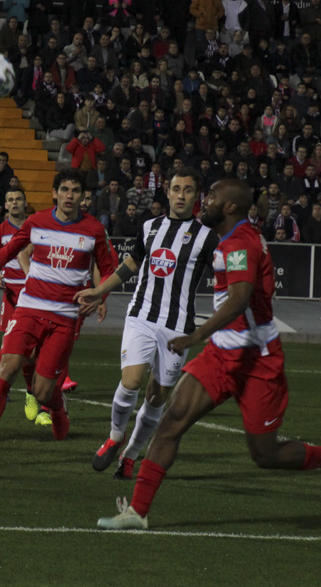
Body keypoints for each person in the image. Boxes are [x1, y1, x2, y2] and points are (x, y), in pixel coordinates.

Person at [97, 179, 321, 531]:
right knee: (171, 422)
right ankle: (137, 512)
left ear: (229, 207)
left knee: (265, 454)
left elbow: (239, 299)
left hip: (257, 360)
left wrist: (195, 335)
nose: (204, 200)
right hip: (221, 354)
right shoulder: (234, 237)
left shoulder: (239, 243)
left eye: (211, 196)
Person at [0, 169, 118, 468]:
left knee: (44, 391)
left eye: (76, 191)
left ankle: (58, 410)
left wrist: (100, 295)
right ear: (54, 193)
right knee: (6, 367)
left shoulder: (94, 229)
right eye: (65, 189)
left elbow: (108, 270)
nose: (70, 195)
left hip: (64, 318)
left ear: (83, 197)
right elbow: (12, 248)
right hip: (29, 308)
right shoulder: (36, 222)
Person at [78, 167, 218, 480]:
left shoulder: (207, 238)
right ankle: (115, 436)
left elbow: (224, 278)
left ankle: (130, 456)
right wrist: (100, 292)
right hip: (141, 315)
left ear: (196, 197)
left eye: (188, 190)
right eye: (176, 189)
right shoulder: (150, 227)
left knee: (156, 398)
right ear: (167, 192)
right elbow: (131, 264)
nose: (181, 195)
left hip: (178, 327)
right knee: (130, 382)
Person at [0, 186, 54, 426]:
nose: (14, 203)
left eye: (18, 199)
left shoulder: (38, 227)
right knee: (8, 345)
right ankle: (4, 388)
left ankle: (30, 392)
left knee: (34, 352)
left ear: (25, 203)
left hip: (36, 295)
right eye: (10, 199)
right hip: (11, 294)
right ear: (5, 205)